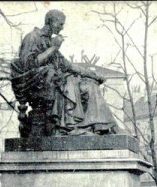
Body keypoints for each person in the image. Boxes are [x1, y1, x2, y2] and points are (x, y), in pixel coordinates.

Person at [10, 10, 119, 138]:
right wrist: (54, 48)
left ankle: (101, 126)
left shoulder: (50, 41)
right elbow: (28, 64)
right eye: (60, 24)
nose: (62, 28)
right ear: (49, 22)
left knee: (90, 85)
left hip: (53, 80)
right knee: (68, 80)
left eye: (63, 25)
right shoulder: (32, 37)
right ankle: (69, 127)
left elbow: (68, 65)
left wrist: (93, 75)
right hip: (38, 83)